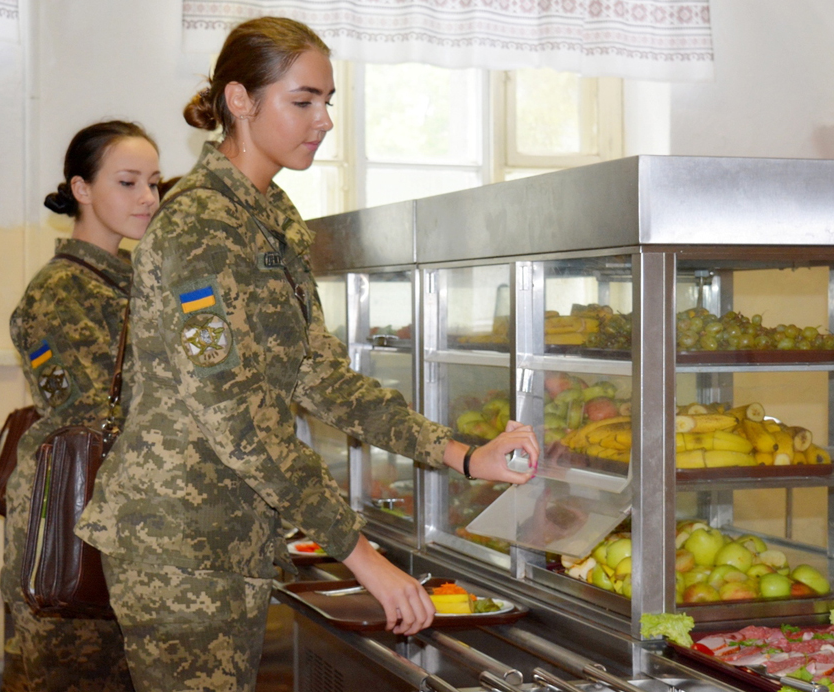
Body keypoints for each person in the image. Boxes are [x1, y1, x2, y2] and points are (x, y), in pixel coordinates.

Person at [75, 16, 539, 692]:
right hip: (178, 546)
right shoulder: (200, 224)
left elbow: (320, 375)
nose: (322, 120)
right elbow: (238, 417)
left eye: (328, 101)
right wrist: (363, 557)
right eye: (303, 101)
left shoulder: (273, 215)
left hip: (236, 537)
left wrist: (461, 454)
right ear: (240, 99)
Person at [4, 120, 160, 690]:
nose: (147, 198)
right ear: (82, 189)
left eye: (153, 182)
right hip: (74, 533)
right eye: (127, 182)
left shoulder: (127, 281)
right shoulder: (64, 290)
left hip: (113, 527)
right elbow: (101, 417)